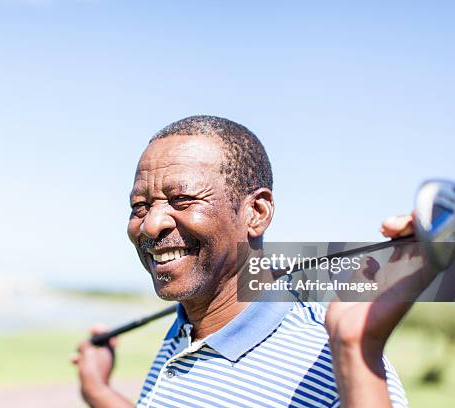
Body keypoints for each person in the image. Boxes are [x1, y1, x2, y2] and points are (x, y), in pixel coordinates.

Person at [72, 115, 426, 407]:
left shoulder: (342, 372)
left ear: (256, 212)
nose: (151, 223)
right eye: (140, 206)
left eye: (181, 199)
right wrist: (99, 392)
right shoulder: (187, 326)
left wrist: (354, 350)